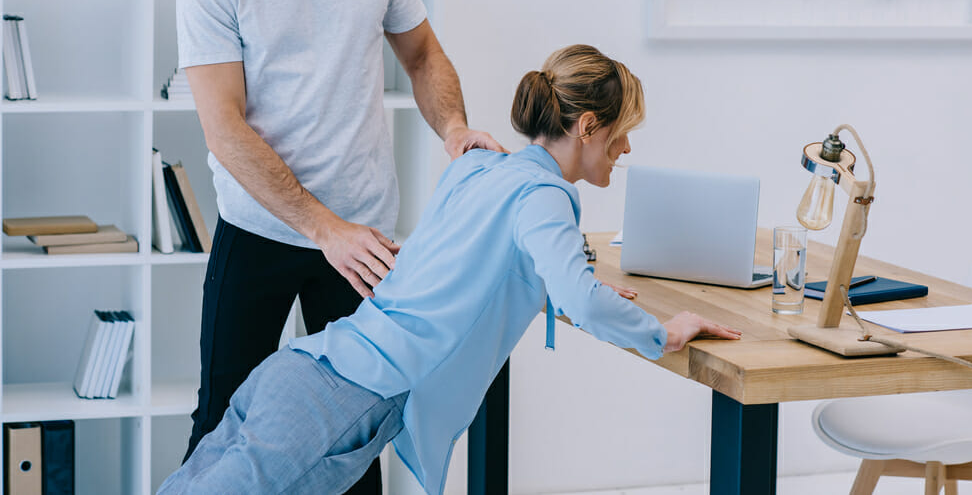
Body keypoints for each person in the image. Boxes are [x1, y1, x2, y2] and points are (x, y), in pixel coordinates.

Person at [158, 44, 742, 495]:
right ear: (588, 127)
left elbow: (465, 268)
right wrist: (663, 334)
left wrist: (560, 286)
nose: (627, 149)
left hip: (304, 365)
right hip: (348, 397)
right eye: (623, 133)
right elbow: (580, 300)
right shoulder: (544, 195)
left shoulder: (478, 167)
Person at [175, 0, 503, 488]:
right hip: (263, 232)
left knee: (353, 428)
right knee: (223, 424)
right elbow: (225, 130)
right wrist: (325, 229)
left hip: (365, 234)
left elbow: (421, 55)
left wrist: (455, 127)